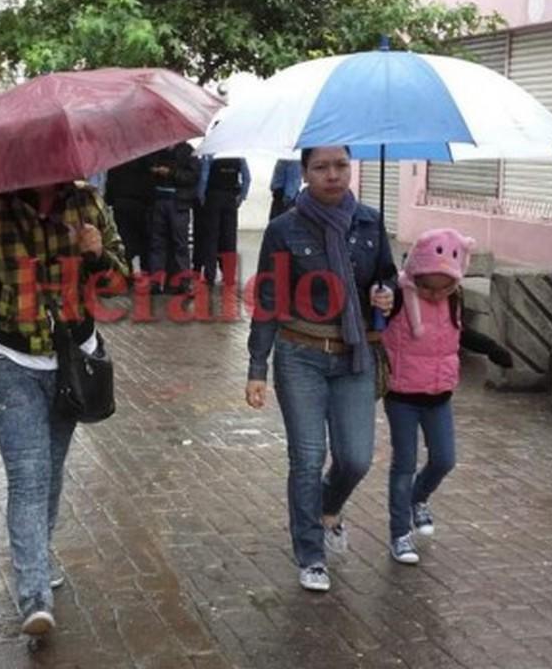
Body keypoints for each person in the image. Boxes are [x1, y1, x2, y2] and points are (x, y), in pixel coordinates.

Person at [0, 181, 128, 636]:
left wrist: (97, 254)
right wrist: (5, 304)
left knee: (52, 470)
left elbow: (121, 282)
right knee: (28, 476)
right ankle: (34, 596)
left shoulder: (87, 203)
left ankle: (37, 557)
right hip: (9, 360)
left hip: (71, 361)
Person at [245, 145, 396, 593]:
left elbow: (388, 275)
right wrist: (257, 367)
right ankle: (310, 554)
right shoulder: (284, 229)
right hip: (301, 355)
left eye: (341, 165)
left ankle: (328, 509)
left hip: (355, 355)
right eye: (321, 167)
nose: (333, 175)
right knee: (308, 458)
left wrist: (387, 293)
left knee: (355, 458)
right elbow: (268, 299)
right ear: (305, 173)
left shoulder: (369, 222)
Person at [381, 228, 512, 565]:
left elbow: (459, 332)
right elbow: (375, 325)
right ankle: (399, 533)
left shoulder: (454, 297)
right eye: (428, 287)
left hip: (439, 395)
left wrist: (492, 348)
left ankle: (418, 498)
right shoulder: (398, 295)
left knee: (444, 459)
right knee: (404, 463)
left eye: (444, 287)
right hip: (402, 395)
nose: (436, 295)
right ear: (416, 274)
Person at [146, 142, 200, 294]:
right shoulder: (156, 150)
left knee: (180, 244)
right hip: (159, 201)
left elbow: (192, 176)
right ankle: (156, 281)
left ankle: (183, 282)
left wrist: (171, 173)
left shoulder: (188, 151)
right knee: (157, 243)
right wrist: (154, 171)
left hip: (178, 202)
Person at [196, 154, 250, 286]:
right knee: (229, 238)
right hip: (230, 198)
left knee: (211, 238)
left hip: (213, 197)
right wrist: (241, 196)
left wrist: (201, 197)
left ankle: (210, 275)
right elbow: (247, 178)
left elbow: (204, 177)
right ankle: (229, 275)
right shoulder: (238, 155)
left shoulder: (210, 154)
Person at [103, 156, 152, 275]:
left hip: (121, 203)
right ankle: (146, 272)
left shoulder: (116, 159)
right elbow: (149, 181)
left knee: (125, 241)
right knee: (145, 241)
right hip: (141, 204)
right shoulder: (144, 157)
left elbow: (111, 183)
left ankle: (127, 271)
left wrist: (109, 200)